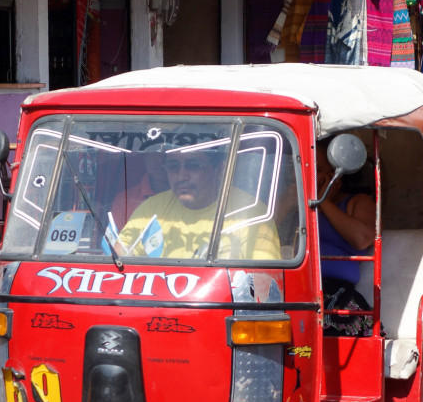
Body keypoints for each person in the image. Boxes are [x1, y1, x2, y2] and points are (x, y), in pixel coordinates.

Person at [116, 145, 281, 260]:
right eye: (173, 167)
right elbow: (118, 259)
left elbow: (263, 280)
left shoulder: (250, 211)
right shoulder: (152, 207)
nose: (182, 176)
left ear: (219, 170)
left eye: (193, 166)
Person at [316, 139, 376, 336]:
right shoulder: (296, 201)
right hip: (297, 288)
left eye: (317, 169)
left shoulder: (358, 201)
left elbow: (362, 239)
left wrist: (323, 201)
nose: (309, 174)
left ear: (334, 174)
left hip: (336, 294)